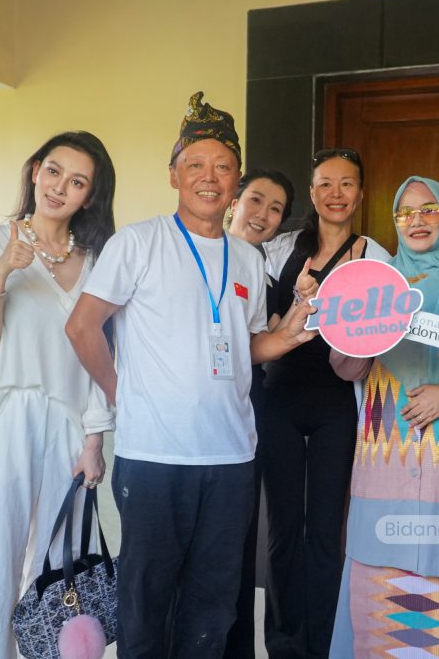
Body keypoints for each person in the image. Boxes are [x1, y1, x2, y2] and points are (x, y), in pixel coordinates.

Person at [65, 91, 317, 659]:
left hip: (231, 456)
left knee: (213, 604)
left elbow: (247, 346)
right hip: (155, 455)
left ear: (235, 181)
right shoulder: (139, 242)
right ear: (174, 174)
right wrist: (121, 393)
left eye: (223, 166)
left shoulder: (247, 257)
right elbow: (82, 327)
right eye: (196, 164)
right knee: (147, 600)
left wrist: (288, 334)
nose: (210, 176)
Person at [0, 131, 116, 658]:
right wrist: (3, 270)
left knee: (58, 567)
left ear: (89, 196)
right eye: (53, 171)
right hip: (1, 418)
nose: (60, 187)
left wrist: (95, 439)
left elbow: (100, 356)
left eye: (77, 182)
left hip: (68, 422)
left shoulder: (97, 261)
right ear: (35, 171)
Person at [327, 176, 439, 658]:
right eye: (405, 213)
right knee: (379, 599)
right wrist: (357, 326)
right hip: (387, 457)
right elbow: (346, 369)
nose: (416, 221)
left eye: (428, 210)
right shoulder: (379, 284)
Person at [260, 147, 389, 658]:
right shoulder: (280, 248)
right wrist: (299, 300)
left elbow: (382, 337)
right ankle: (284, 643)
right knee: (283, 527)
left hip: (338, 404)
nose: (336, 194)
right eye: (326, 185)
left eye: (347, 184)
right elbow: (261, 323)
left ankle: (327, 644)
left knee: (326, 528)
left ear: (361, 193)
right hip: (279, 399)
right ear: (312, 194)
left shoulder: (376, 258)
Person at [223, 168, 295, 659]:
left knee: (240, 541)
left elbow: (263, 346)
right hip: (182, 422)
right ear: (234, 201)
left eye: (276, 209)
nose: (263, 214)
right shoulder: (188, 257)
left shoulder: (267, 278)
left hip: (247, 414)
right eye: (256, 200)